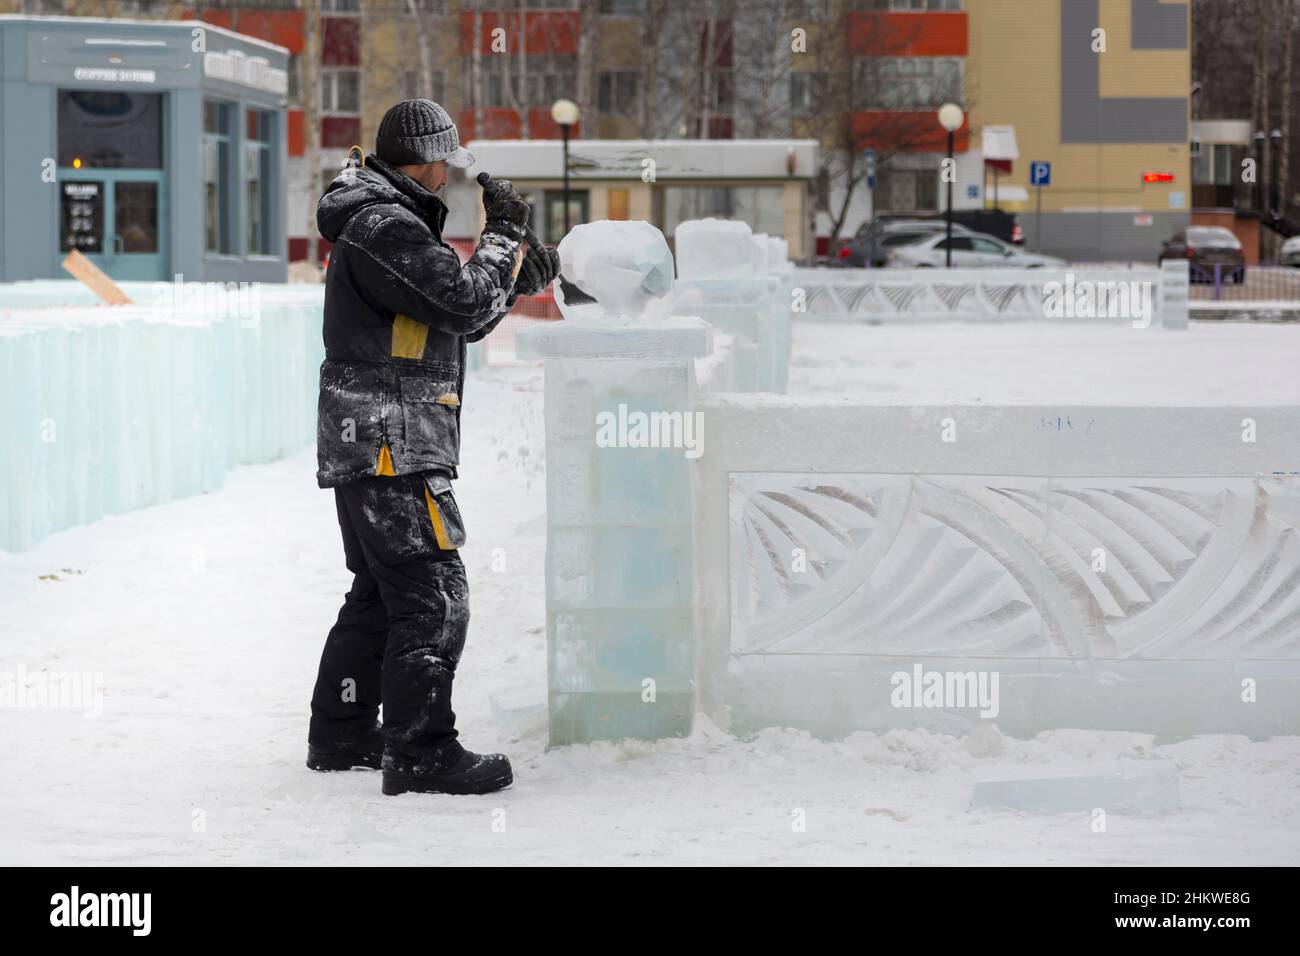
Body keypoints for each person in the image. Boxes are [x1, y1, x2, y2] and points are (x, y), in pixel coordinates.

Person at [305, 99, 559, 796]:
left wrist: (514, 277)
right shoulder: (385, 224)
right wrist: (505, 233)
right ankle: (420, 750)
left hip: (373, 434)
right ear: (425, 158)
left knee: (383, 595)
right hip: (390, 437)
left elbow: (450, 317)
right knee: (433, 594)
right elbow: (459, 302)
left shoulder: (381, 219)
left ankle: (341, 734)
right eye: (443, 157)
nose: (450, 171)